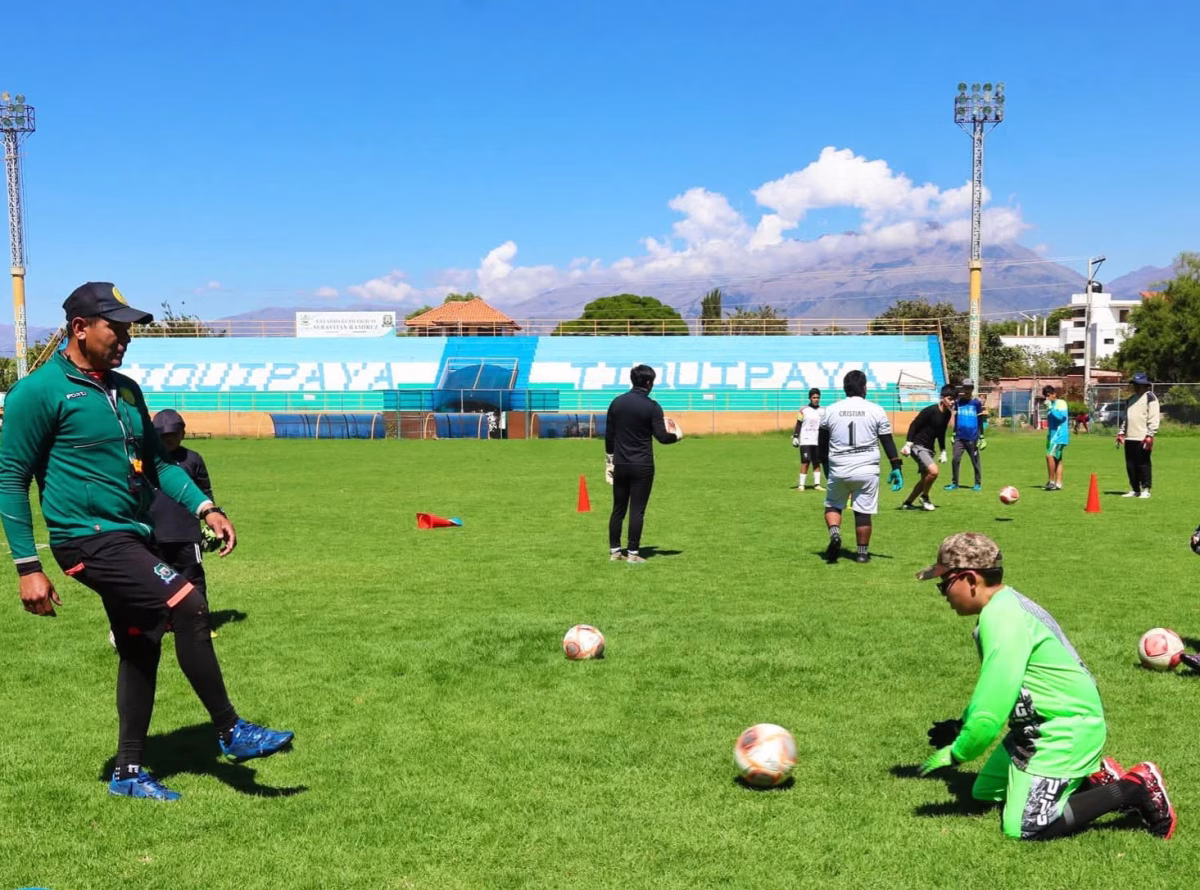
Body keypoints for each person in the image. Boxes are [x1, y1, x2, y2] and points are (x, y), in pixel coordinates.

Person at [0, 282, 293, 802]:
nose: (125, 338)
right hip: (87, 540)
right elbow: (9, 479)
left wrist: (207, 507)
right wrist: (27, 567)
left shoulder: (127, 390)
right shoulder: (38, 392)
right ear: (80, 328)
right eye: (116, 327)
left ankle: (128, 771)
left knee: (140, 645)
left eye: (129, 328)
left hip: (131, 536)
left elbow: (158, 464)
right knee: (188, 602)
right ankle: (230, 731)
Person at [916, 531, 1176, 840]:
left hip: (1063, 729)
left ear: (970, 579)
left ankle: (1135, 787)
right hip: (1035, 729)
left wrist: (959, 752)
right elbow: (995, 687)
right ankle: (1093, 777)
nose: (942, 593)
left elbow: (991, 709)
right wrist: (962, 724)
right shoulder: (1004, 605)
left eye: (944, 584)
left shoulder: (1002, 619)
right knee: (985, 791)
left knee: (1025, 826)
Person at [818, 369, 904, 564]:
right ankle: (862, 553)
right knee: (863, 512)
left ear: (844, 388)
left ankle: (835, 534)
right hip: (867, 468)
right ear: (865, 388)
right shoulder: (876, 410)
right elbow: (887, 441)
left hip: (839, 466)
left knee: (833, 504)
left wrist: (824, 463)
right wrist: (896, 466)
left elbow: (821, 443)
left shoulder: (830, 410)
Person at [150, 409, 221, 637]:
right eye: (161, 434)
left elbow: (205, 492)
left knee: (193, 579)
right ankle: (164, 623)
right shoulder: (148, 461)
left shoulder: (193, 459)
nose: (167, 438)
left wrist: (212, 519)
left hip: (187, 533)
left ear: (183, 432)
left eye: (172, 433)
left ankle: (200, 622)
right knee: (159, 581)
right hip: (154, 533)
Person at [604, 364, 680, 563]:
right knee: (637, 509)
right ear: (649, 383)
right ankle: (633, 554)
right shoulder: (652, 406)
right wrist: (677, 436)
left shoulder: (616, 403)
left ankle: (614, 551)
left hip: (620, 463)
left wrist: (609, 462)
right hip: (642, 465)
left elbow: (609, 436)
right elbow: (662, 437)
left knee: (618, 508)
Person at [899, 385, 955, 511]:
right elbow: (914, 424)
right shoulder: (930, 411)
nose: (952, 402)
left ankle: (908, 503)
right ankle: (925, 497)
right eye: (950, 398)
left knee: (925, 478)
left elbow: (941, 433)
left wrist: (943, 451)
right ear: (942, 398)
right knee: (934, 471)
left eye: (954, 399)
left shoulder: (947, 415)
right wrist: (908, 444)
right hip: (918, 445)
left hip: (929, 448)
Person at [1116, 372, 1160, 499]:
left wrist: (1150, 435)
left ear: (1144, 385)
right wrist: (1121, 432)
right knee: (1130, 465)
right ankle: (1135, 489)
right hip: (1130, 437)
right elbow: (1127, 418)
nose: (1135, 387)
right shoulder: (1130, 399)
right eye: (1134, 384)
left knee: (1143, 463)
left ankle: (1146, 489)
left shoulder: (1150, 397)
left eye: (1137, 384)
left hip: (1143, 437)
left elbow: (1154, 417)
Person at [945, 379, 988, 491]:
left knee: (975, 461)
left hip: (972, 437)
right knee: (955, 459)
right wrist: (953, 433)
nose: (967, 390)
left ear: (972, 389)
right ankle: (955, 483)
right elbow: (956, 417)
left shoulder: (976, 403)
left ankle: (977, 483)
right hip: (959, 437)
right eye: (965, 387)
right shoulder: (958, 402)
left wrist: (982, 437)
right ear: (963, 388)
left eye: (969, 387)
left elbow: (980, 420)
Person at [791, 387, 824, 491]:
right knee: (805, 461)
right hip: (805, 440)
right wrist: (796, 436)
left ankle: (817, 484)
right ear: (810, 398)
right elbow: (799, 424)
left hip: (817, 440)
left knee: (817, 462)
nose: (816, 399)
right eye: (814, 397)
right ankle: (801, 485)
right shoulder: (803, 410)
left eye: (818, 397)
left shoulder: (823, 411)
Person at [1042, 384, 1069, 490]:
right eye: (1046, 396)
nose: (1047, 398)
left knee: (1049, 456)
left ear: (1054, 394)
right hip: (1052, 436)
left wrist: (1051, 408)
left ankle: (1051, 481)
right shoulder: (1051, 405)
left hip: (1059, 435)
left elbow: (1061, 418)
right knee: (1057, 459)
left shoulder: (1060, 403)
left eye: (1049, 395)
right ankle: (1059, 483)